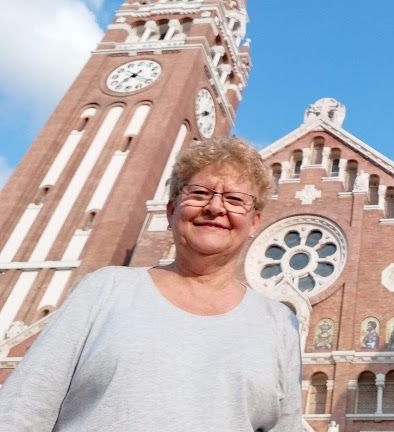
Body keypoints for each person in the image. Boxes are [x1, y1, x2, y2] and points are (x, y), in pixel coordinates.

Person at [0, 136, 302, 431]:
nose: (214, 207)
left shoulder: (278, 323)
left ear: (255, 223)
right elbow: (22, 410)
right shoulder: (105, 290)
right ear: (171, 211)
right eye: (198, 194)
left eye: (235, 199)